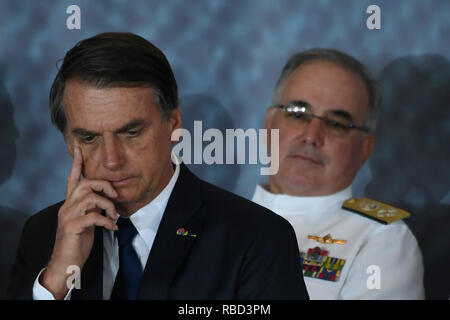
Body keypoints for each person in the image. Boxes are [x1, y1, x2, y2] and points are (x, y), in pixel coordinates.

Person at [7, 32, 308, 300]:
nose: (112, 160)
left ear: (173, 124)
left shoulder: (256, 238)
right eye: (89, 137)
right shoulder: (43, 234)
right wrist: (56, 281)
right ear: (68, 142)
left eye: (131, 132)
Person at [252, 48, 424, 299]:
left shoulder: (382, 241)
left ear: (364, 148)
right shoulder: (211, 220)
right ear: (269, 125)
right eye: (298, 114)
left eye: (336, 124)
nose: (311, 136)